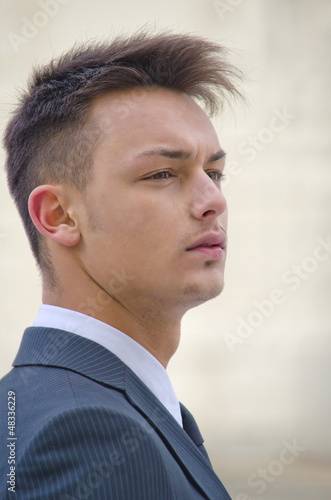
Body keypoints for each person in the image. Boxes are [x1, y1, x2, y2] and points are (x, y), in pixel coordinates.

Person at [0, 30, 241, 499]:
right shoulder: (88, 432)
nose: (213, 200)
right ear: (60, 215)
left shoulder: (34, 404)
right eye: (162, 174)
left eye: (214, 173)